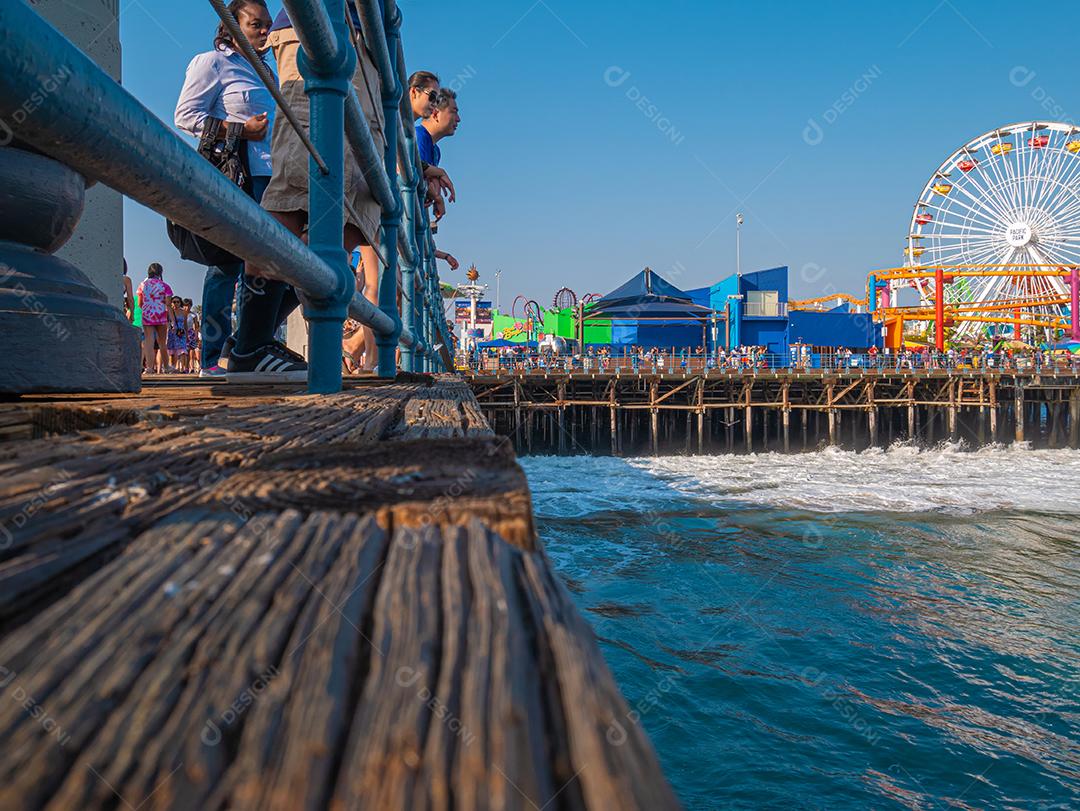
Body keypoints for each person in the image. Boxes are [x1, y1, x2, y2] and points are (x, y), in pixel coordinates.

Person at [237, 3, 385, 381]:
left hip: (363, 41)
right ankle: (249, 345)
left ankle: (253, 338)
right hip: (325, 25)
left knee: (357, 208)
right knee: (296, 191)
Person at [174, 0, 276, 378]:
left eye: (267, 25)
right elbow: (185, 116)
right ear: (232, 27)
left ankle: (247, 346)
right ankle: (211, 359)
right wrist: (239, 129)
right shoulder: (212, 63)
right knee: (226, 265)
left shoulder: (268, 71)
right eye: (256, 24)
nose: (265, 31)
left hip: (271, 177)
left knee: (267, 265)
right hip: (237, 174)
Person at [136, 263, 172, 375]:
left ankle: (150, 368)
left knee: (149, 341)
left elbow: (139, 303)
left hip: (147, 314)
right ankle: (166, 367)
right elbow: (168, 303)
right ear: (160, 272)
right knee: (162, 343)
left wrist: (147, 308)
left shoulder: (142, 285)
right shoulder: (165, 286)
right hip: (161, 314)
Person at [167, 295, 190, 372]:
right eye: (174, 302)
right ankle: (172, 367)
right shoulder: (169, 312)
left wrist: (187, 335)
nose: (176, 303)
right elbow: (166, 323)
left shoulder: (184, 312)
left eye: (178, 302)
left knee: (182, 349)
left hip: (181, 332)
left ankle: (182, 368)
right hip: (172, 332)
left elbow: (185, 324)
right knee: (172, 351)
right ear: (171, 303)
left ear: (180, 303)